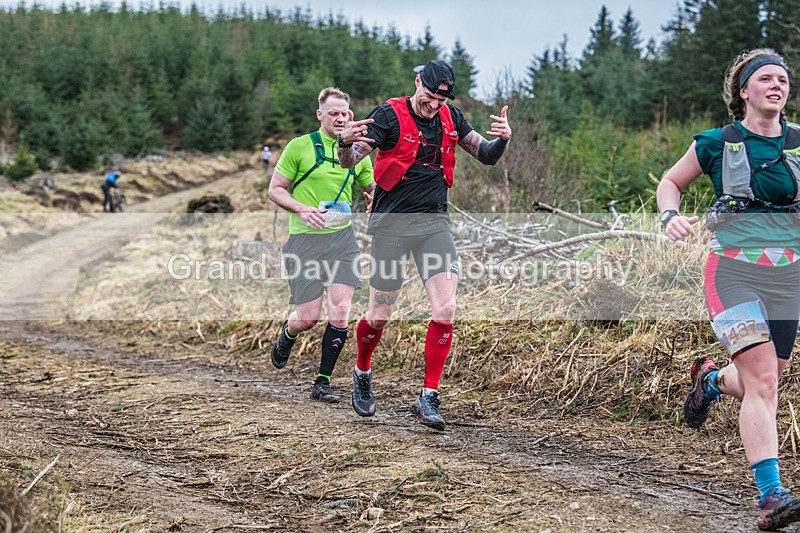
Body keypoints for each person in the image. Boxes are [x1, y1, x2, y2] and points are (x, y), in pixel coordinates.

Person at [657, 48, 800, 531]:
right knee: (762, 382)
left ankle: (711, 381)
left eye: (783, 79)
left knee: (764, 382)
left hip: (788, 277)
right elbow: (670, 182)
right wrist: (670, 217)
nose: (777, 85)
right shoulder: (718, 142)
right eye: (765, 78)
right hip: (733, 271)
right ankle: (771, 496)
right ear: (744, 91)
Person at [337, 59, 512, 431]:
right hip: (391, 227)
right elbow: (351, 159)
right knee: (380, 314)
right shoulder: (388, 116)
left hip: (434, 225)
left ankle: (428, 395)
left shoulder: (451, 118)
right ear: (418, 83)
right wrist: (343, 142)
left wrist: (503, 139)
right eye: (429, 96)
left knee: (446, 307)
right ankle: (363, 371)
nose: (433, 105)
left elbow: (485, 156)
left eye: (440, 100)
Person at [267, 87, 375, 403]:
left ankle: (323, 382)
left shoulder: (358, 151)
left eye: (345, 113)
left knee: (340, 311)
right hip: (304, 240)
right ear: (320, 115)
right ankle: (287, 335)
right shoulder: (300, 147)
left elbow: (371, 188)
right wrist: (302, 209)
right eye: (334, 113)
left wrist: (374, 200)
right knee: (308, 317)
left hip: (342, 240)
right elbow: (275, 190)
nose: (340, 118)